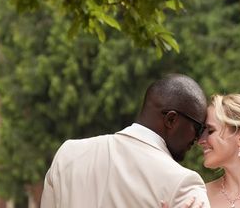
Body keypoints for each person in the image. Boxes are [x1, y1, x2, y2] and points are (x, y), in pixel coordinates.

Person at [40, 74, 211, 208]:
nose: (198, 139)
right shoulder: (183, 185)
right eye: (198, 128)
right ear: (171, 120)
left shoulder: (68, 154)